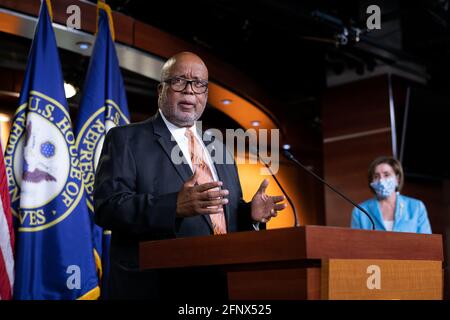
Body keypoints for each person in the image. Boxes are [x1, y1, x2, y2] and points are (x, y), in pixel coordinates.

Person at [94, 51, 287, 299]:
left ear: (205, 95)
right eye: (179, 81)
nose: (189, 91)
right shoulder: (126, 139)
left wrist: (250, 215)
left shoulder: (218, 147)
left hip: (221, 285)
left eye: (198, 84)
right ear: (160, 90)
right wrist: (173, 205)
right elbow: (107, 208)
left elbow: (222, 218)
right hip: (157, 287)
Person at [351, 156, 431, 234]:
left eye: (386, 175)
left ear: (397, 179)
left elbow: (427, 243)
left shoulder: (417, 207)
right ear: (371, 181)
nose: (381, 180)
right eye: (376, 176)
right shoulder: (360, 211)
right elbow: (356, 244)